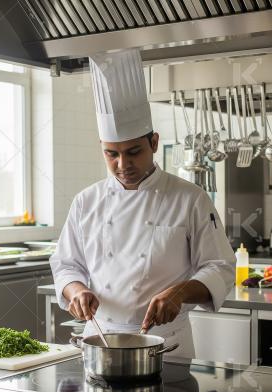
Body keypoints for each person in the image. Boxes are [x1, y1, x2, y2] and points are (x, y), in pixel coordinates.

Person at [50, 49, 235, 358]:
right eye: (112, 153)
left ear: (154, 143)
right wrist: (77, 290)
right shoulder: (86, 201)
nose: (123, 163)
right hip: (100, 339)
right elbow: (66, 264)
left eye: (133, 151)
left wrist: (180, 292)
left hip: (165, 344)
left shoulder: (190, 198)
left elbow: (221, 266)